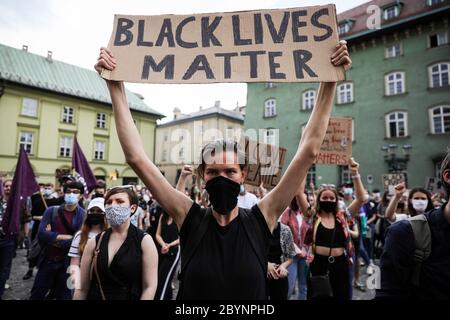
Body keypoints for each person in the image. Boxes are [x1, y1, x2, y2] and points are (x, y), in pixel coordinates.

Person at [94, 41, 351, 299]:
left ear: (243, 175)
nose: (221, 179)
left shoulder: (262, 218)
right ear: (202, 176)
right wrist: (114, 86)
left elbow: (308, 151)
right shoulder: (189, 217)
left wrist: (329, 81)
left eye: (230, 172)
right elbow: (137, 158)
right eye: (213, 172)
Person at [377, 150, 450, 299]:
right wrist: (397, 197)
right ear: (448, 177)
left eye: (423, 198)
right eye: (416, 198)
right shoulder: (406, 230)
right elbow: (389, 216)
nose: (420, 201)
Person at [73, 186, 158, 300]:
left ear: (132, 208)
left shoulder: (144, 241)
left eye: (120, 201)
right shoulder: (95, 242)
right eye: (108, 202)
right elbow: (82, 288)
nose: (113, 205)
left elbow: (149, 287)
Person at [298, 158, 365, 300]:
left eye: (331, 198)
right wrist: (305, 167)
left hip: (341, 264)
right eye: (325, 197)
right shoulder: (313, 216)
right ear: (319, 199)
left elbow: (360, 198)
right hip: (318, 265)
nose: (328, 200)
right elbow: (299, 194)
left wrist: (355, 172)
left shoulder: (342, 217)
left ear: (336, 201)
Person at [30, 181, 86, 300]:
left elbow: (79, 241)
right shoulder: (51, 211)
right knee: (37, 293)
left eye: (75, 192)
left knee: (64, 296)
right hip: (48, 260)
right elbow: (41, 234)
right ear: (63, 193)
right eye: (68, 191)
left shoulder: (83, 215)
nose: (71, 194)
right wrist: (67, 237)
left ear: (81, 196)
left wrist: (52, 238)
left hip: (68, 264)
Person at [280, 197, 311, 300]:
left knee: (303, 286)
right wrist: (296, 249)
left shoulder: (307, 215)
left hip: (304, 254)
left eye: (304, 199)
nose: (301, 201)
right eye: (299, 199)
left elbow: (310, 235)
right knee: (289, 286)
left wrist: (305, 249)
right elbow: (283, 233)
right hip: (291, 256)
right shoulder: (287, 213)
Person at [68, 197, 108, 266]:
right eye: (92, 210)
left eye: (99, 211)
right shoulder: (80, 235)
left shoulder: (111, 234)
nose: (95, 213)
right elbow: (74, 265)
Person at [154, 211, 180, 300]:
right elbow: (157, 235)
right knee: (163, 279)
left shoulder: (179, 217)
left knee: (162, 279)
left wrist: (169, 245)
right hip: (162, 251)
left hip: (173, 253)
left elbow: (183, 237)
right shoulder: (163, 216)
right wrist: (163, 245)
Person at [267, 221, 296, 300]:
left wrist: (283, 266)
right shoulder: (257, 229)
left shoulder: (285, 229)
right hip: (261, 274)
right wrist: (266, 265)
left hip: (280, 275)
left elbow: (290, 257)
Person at [0, 179, 13, 299]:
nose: (8, 188)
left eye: (10, 186)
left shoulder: (17, 204)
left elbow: (25, 219)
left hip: (9, 239)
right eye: (6, 186)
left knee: (5, 266)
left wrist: (24, 237)